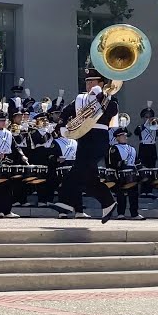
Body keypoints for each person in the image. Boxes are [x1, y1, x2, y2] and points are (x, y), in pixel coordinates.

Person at [55, 67, 119, 223]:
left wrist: (99, 95)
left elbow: (112, 112)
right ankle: (108, 202)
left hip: (98, 139)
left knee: (76, 171)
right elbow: (65, 112)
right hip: (83, 139)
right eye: (87, 82)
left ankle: (64, 203)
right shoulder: (80, 99)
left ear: (102, 83)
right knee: (90, 182)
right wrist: (62, 127)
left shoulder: (108, 99)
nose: (89, 85)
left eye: (93, 82)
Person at [106, 126, 144, 220]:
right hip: (121, 173)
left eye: (125, 135)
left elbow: (137, 162)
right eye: (122, 135)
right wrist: (120, 164)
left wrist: (141, 169)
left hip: (132, 173)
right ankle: (121, 213)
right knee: (121, 194)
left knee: (134, 195)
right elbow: (111, 163)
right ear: (117, 137)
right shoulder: (114, 148)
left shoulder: (132, 149)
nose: (125, 137)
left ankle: (134, 213)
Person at [136, 103, 158, 197]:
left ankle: (150, 190)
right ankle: (143, 190)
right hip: (143, 148)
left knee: (151, 169)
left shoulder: (154, 127)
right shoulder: (140, 127)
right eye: (146, 117)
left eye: (150, 117)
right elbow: (136, 132)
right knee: (143, 170)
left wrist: (157, 128)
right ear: (143, 118)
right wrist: (144, 125)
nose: (148, 119)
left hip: (152, 148)